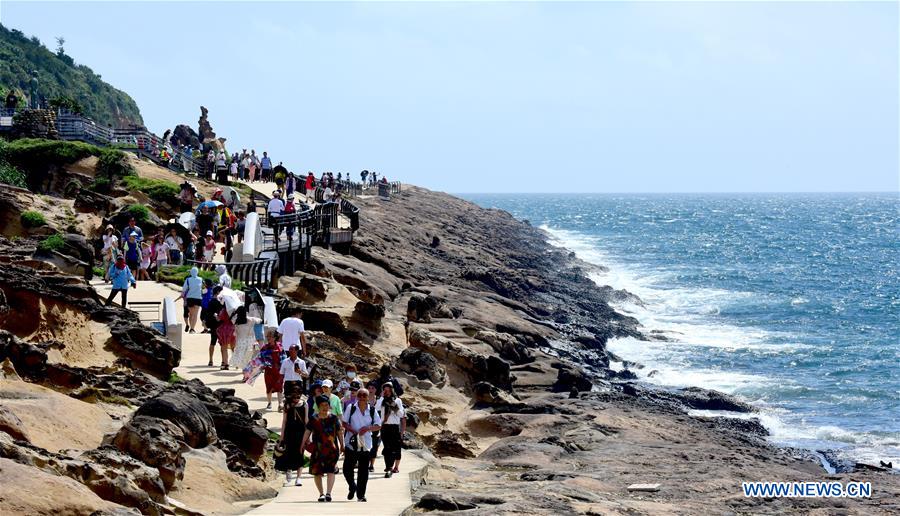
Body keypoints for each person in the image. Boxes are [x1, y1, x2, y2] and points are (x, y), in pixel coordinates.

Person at [300, 395, 343, 503]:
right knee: (317, 472)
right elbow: (307, 431)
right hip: (318, 450)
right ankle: (321, 494)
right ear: (318, 406)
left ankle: (328, 493)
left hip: (332, 450)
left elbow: (339, 432)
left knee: (331, 470)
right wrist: (302, 443)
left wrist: (342, 445)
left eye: (326, 405)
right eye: (322, 405)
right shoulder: (314, 419)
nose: (325, 407)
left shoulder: (333, 418)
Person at [343, 387, 381, 502]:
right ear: (357, 397)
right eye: (360, 395)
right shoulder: (351, 408)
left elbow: (378, 425)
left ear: (368, 397)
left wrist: (368, 428)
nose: (362, 398)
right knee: (347, 469)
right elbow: (344, 423)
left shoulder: (372, 410)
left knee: (363, 471)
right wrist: (354, 431)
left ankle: (361, 495)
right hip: (352, 442)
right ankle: (352, 486)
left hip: (366, 444)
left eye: (365, 395)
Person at [276, 392, 308, 487]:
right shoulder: (287, 405)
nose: (297, 399)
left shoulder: (305, 405)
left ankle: (298, 478)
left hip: (301, 433)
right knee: (288, 453)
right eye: (295, 397)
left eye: (298, 396)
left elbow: (306, 420)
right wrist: (282, 436)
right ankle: (288, 471)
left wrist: (308, 435)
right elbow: (284, 421)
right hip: (289, 433)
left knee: (300, 454)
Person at [376, 382, 406, 477]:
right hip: (385, 426)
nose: (387, 392)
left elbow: (401, 415)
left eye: (389, 390)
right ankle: (388, 466)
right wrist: (381, 397)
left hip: (394, 427)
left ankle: (389, 468)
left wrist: (394, 407)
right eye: (385, 390)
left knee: (393, 448)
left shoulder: (397, 400)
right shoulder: (382, 400)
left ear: (392, 390)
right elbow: (376, 407)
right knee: (386, 447)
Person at [261, 329, 284, 410]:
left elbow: (283, 357)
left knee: (280, 387)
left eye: (270, 337)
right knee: (269, 387)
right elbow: (261, 359)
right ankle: (269, 403)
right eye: (267, 337)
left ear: (274, 338)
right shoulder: (264, 347)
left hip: (279, 370)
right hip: (269, 371)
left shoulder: (280, 346)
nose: (268, 338)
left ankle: (280, 404)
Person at [204, 284, 224, 366]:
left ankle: (210, 360)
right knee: (223, 344)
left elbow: (208, 312)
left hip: (213, 325)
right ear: (218, 292)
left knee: (213, 342)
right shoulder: (221, 302)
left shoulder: (211, 301)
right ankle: (223, 361)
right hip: (220, 324)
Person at [365, 380, 382, 473]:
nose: (371, 390)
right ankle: (365, 463)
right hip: (365, 424)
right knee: (365, 444)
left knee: (375, 445)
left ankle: (372, 464)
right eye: (369, 388)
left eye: (373, 388)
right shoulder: (363, 399)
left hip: (376, 425)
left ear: (376, 389)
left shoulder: (380, 400)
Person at [182, 267, 203, 333]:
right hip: (198, 298)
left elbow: (184, 289)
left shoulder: (188, 280)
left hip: (190, 298)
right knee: (195, 314)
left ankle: (191, 327)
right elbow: (203, 288)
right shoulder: (201, 279)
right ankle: (192, 328)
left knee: (191, 314)